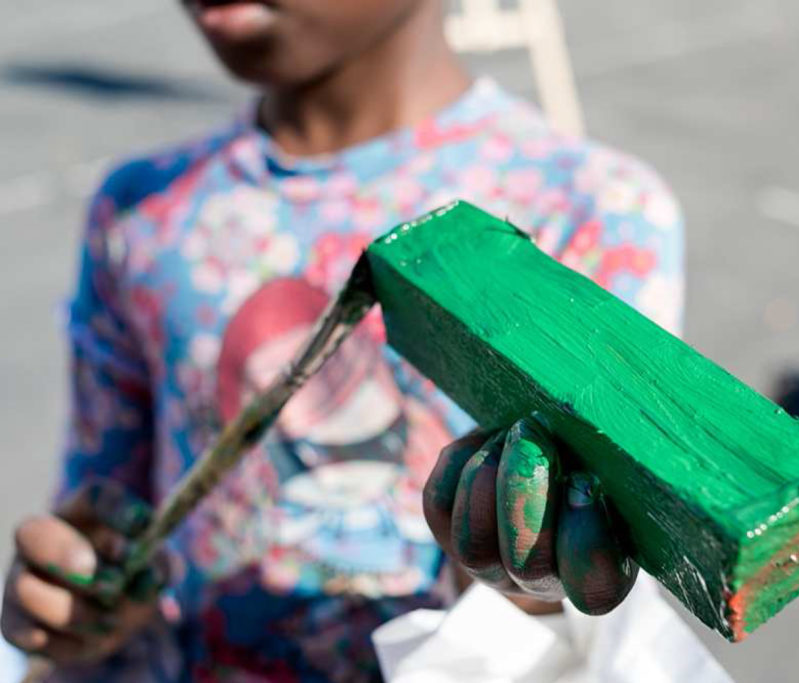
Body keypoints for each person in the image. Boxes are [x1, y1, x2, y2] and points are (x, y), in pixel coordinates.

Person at [0, 0, 685, 680]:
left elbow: (591, 599)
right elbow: (103, 514)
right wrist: (80, 595)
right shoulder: (144, 214)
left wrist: (525, 587)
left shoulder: (591, 211)